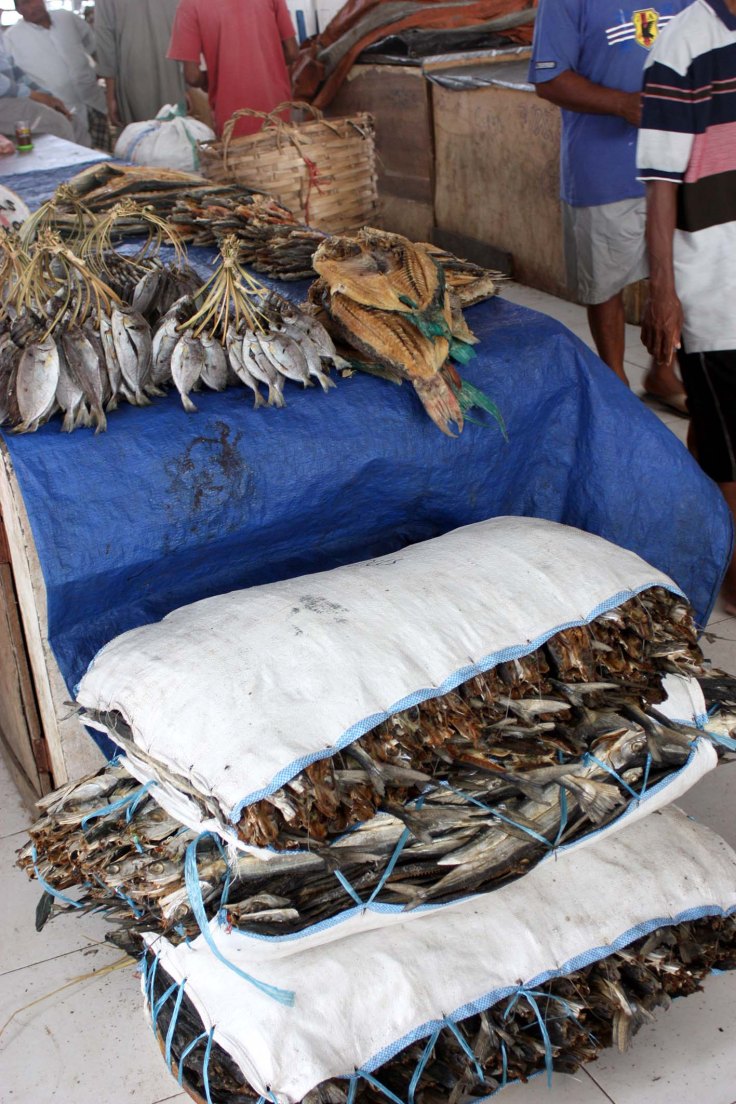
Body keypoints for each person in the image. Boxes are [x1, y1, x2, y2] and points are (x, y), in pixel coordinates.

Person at [528, 0, 690, 411]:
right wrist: (622, 104)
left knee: (680, 275)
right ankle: (615, 380)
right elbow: (549, 79)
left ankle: (662, 371)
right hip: (603, 167)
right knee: (605, 284)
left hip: (677, 163)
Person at [638, 0, 736, 609]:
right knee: (731, 450)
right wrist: (663, 291)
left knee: (715, 430)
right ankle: (731, 580)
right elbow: (661, 182)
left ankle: (694, 542)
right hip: (717, 283)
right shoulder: (681, 44)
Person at [167, 0, 298, 139]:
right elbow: (292, 52)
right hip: (277, 111)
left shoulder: (189, 5)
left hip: (232, 121)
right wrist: (264, 62)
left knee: (240, 159)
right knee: (281, 156)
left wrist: (214, 77)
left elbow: (192, 76)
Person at [7, 0, 108, 149]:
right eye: (24, 3)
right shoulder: (11, 37)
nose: (31, 7)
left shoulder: (66, 18)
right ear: (18, 9)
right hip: (61, 111)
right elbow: (16, 79)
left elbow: (92, 46)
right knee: (75, 156)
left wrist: (103, 73)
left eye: (33, 0)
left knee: (103, 156)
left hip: (93, 101)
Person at [94, 0, 185, 128]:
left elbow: (105, 36)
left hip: (132, 72)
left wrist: (110, 96)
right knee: (176, 133)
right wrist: (188, 86)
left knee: (142, 137)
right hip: (173, 69)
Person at [0, 31, 74, 142]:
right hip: (4, 99)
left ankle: (92, 159)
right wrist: (31, 94)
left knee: (73, 121)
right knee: (56, 123)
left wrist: (47, 97)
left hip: (10, 98)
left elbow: (15, 72)